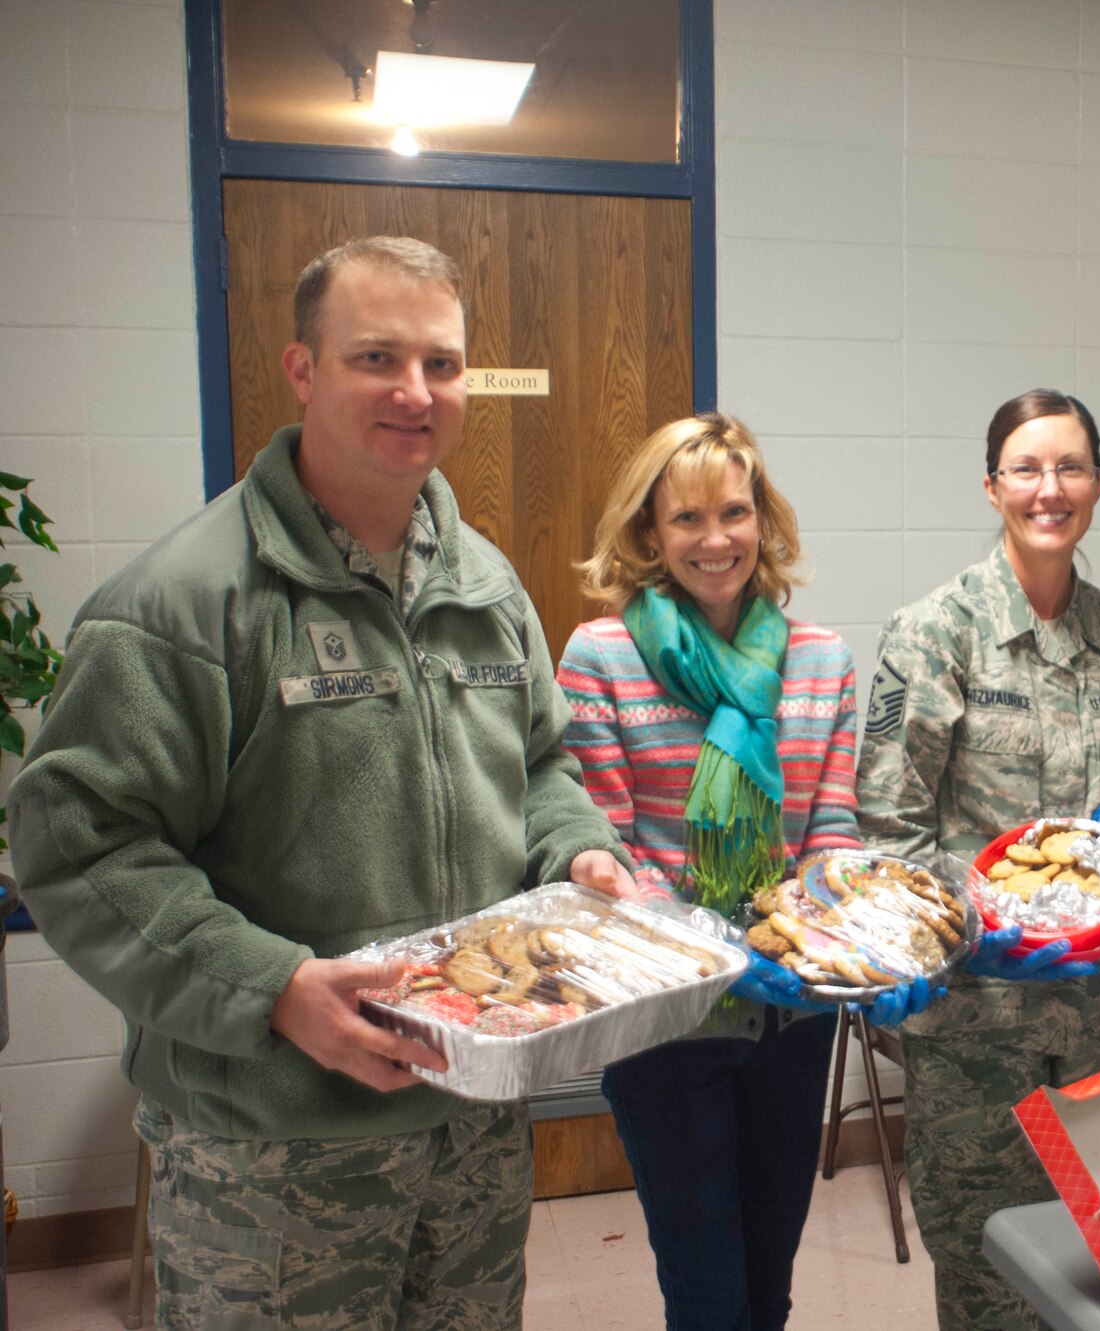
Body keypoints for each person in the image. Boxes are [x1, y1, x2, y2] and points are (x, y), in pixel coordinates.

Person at [8, 236, 637, 1329]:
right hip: (272, 1155)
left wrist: (573, 848)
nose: (414, 391)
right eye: (375, 357)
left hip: (472, 1121)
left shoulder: (484, 583)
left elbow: (540, 764)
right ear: (302, 372)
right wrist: (272, 985)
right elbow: (79, 847)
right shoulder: (182, 604)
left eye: (441, 363)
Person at [558, 412, 924, 1330]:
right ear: (649, 532)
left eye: (734, 512)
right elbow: (605, 843)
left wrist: (866, 943)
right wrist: (717, 948)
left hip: (792, 1017)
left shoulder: (820, 661)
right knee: (707, 1289)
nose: (714, 540)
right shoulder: (603, 655)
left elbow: (830, 830)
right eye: (686, 519)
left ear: (764, 521)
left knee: (770, 1283)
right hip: (662, 1018)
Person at [854, 389, 1100, 1331]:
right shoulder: (933, 634)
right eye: (1026, 468)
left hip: (1099, 1013)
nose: (1050, 488)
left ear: (1099, 483)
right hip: (975, 1023)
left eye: (1071, 467)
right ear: (991, 487)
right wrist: (968, 931)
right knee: (989, 1270)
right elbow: (889, 830)